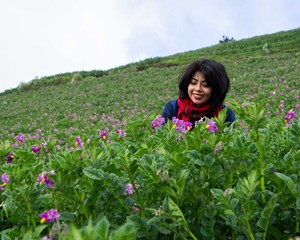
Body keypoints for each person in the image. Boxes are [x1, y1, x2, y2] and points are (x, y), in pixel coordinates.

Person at [162, 58, 235, 126]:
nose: (198, 89)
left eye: (206, 85)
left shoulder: (226, 115)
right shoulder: (172, 109)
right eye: (193, 82)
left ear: (216, 88)